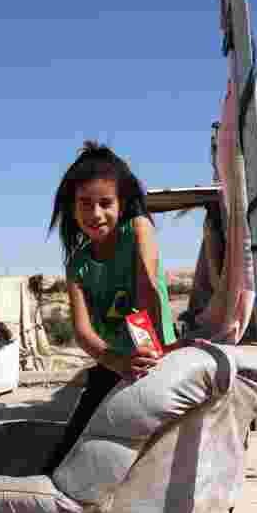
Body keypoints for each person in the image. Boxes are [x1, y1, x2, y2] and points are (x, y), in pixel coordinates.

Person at [42, 140, 180, 474]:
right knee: (69, 453)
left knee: (165, 450)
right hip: (113, 363)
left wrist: (146, 352)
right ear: (71, 208)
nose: (95, 213)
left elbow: (145, 287)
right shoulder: (78, 263)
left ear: (122, 203)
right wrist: (117, 362)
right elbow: (84, 332)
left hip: (154, 354)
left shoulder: (138, 229)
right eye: (85, 204)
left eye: (105, 203)